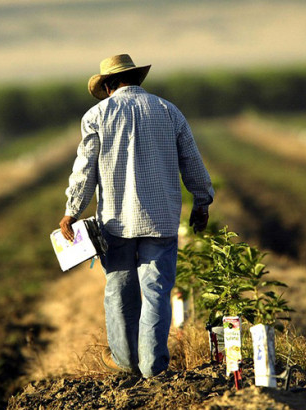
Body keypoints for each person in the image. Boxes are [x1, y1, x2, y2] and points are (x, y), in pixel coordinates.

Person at [59, 54, 214, 378]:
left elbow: (85, 170)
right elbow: (191, 161)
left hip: (115, 222)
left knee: (119, 292)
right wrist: (202, 202)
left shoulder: (96, 116)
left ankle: (127, 363)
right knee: (157, 293)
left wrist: (72, 211)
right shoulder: (168, 111)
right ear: (135, 80)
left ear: (109, 85)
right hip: (161, 219)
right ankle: (152, 368)